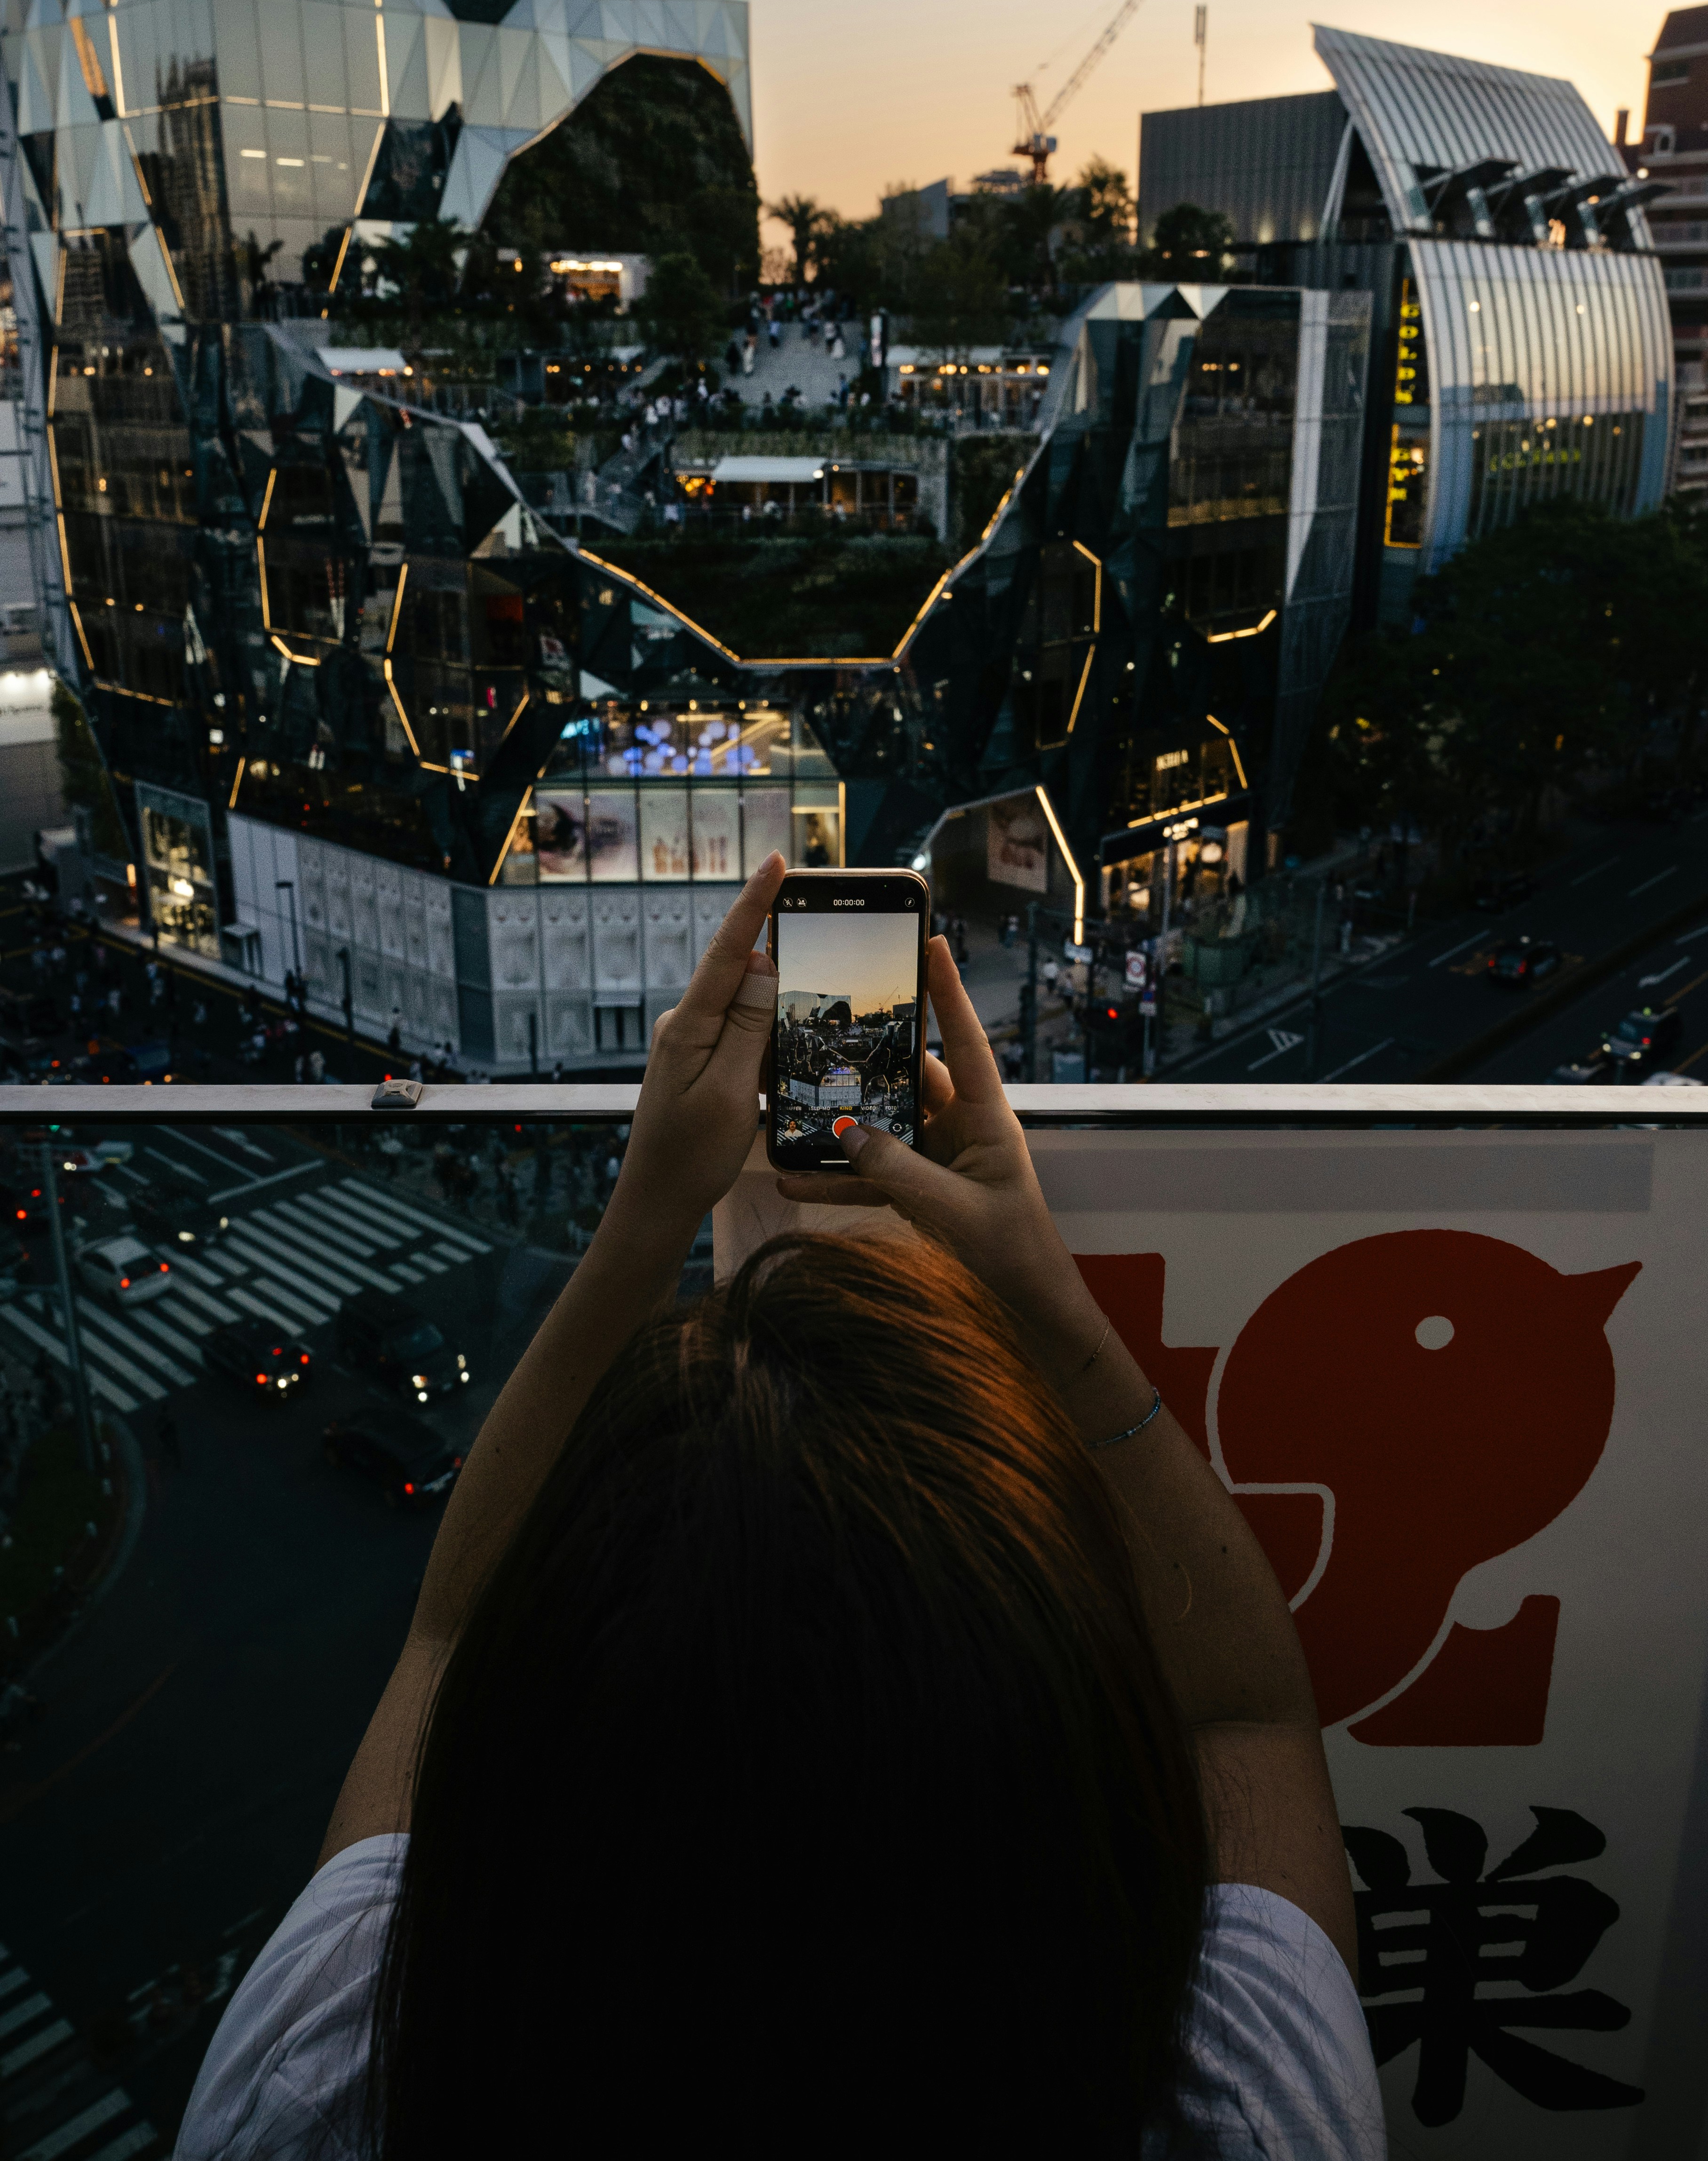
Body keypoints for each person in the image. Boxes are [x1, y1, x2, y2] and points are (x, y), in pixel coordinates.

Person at [175, 855, 1382, 2161]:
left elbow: (451, 1634)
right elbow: (1249, 1707)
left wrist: (649, 1208)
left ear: (530, 1756)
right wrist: (1043, 1296)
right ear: (1079, 1776)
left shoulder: (332, 2078)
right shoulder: (1236, 2103)